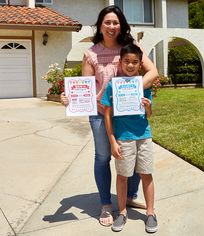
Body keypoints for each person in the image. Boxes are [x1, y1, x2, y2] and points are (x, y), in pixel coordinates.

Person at [61, 5, 159, 227]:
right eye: (107, 22)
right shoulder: (90, 54)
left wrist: (132, 91)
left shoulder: (130, 48)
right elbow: (84, 88)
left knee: (131, 159)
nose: (112, 26)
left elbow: (153, 72)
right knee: (103, 157)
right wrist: (70, 99)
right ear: (100, 25)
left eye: (116, 22)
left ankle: (131, 196)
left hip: (129, 114)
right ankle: (106, 203)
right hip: (99, 113)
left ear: (121, 25)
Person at [101, 43, 157, 233]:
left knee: (147, 174)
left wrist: (148, 106)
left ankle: (150, 212)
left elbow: (148, 114)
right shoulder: (112, 85)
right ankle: (122, 212)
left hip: (144, 136)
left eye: (135, 62)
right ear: (120, 62)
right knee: (123, 176)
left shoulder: (143, 84)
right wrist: (112, 140)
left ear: (140, 64)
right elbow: (107, 115)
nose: (131, 65)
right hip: (123, 138)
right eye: (127, 62)